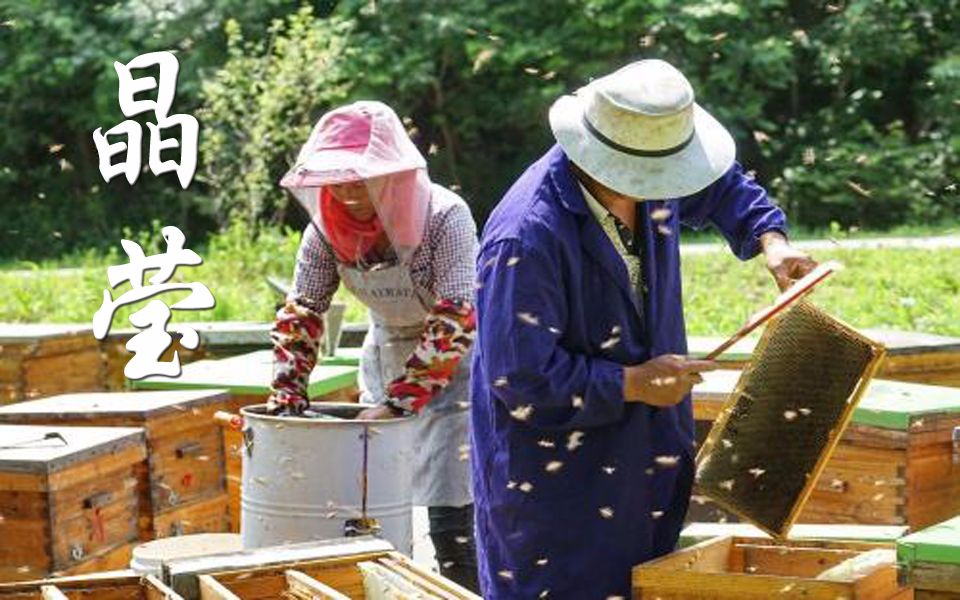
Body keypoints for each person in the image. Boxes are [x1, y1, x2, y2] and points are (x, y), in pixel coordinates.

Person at [470, 59, 818, 598]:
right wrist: (631, 383)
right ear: (603, 158)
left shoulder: (652, 172)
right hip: (556, 495)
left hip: (646, 465)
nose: (667, 186)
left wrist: (770, 237)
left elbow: (721, 185)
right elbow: (520, 379)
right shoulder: (525, 238)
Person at [267, 100, 479, 591]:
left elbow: (456, 315)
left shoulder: (446, 216)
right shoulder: (324, 228)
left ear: (394, 173)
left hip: (459, 368)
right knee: (375, 507)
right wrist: (287, 396)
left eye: (359, 177)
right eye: (335, 178)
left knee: (452, 513)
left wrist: (400, 402)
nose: (346, 190)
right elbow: (303, 310)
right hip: (385, 354)